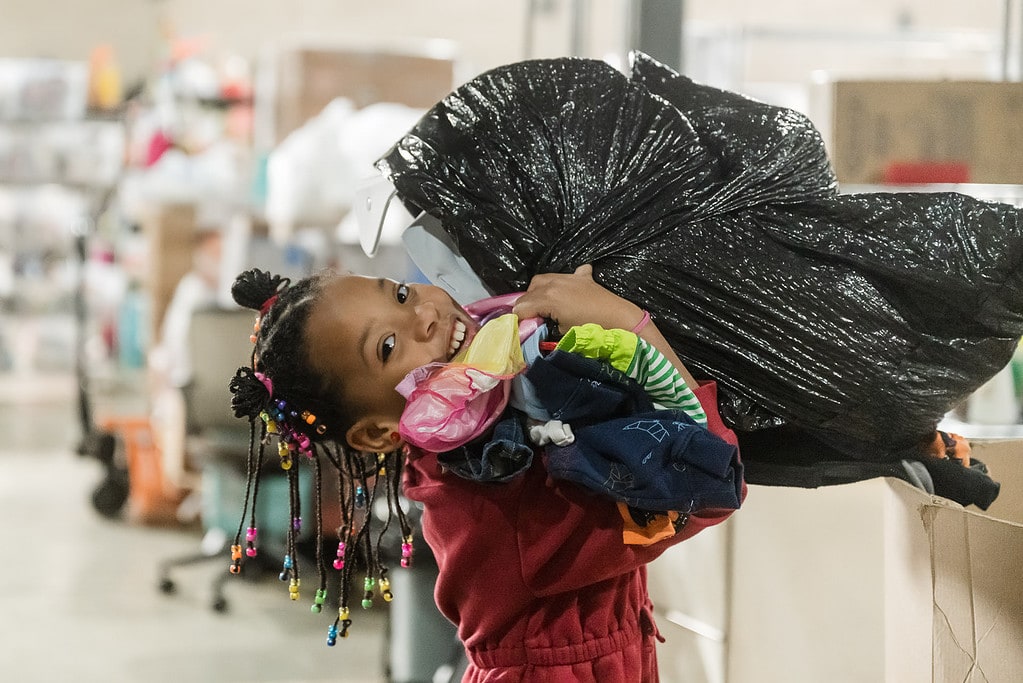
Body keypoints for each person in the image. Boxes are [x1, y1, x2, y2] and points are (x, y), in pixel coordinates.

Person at [227, 264, 745, 681]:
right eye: (387, 347)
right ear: (380, 432)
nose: (424, 317)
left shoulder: (484, 436)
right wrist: (626, 323)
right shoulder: (500, 489)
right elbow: (707, 480)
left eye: (403, 295)